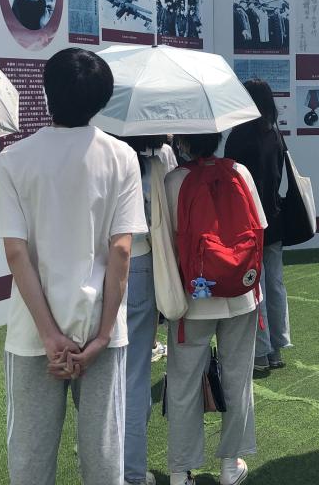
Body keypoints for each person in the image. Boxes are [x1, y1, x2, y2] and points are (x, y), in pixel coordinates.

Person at [0, 48, 147, 485]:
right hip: (100, 327)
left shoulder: (14, 159)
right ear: (102, 100)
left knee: (29, 458)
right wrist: (102, 336)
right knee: (103, 458)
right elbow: (121, 251)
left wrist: (48, 335)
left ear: (47, 93)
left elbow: (16, 253)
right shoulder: (121, 157)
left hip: (32, 332)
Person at [164, 132, 267, 485]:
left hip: (194, 298)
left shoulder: (175, 181)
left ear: (184, 142)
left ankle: (181, 471)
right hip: (241, 293)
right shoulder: (239, 172)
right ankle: (229, 465)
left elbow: (168, 242)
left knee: (183, 383)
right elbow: (260, 229)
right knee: (238, 379)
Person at [118, 134, 178, 485]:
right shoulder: (154, 164)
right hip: (139, 264)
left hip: (93, 269)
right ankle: (131, 473)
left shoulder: (97, 159)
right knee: (135, 374)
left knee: (99, 377)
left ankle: (104, 467)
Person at [224, 79, 292, 373]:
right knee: (275, 285)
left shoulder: (238, 137)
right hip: (274, 219)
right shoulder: (274, 134)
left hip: (247, 222)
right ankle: (277, 347)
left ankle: (260, 352)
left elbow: (231, 182)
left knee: (256, 287)